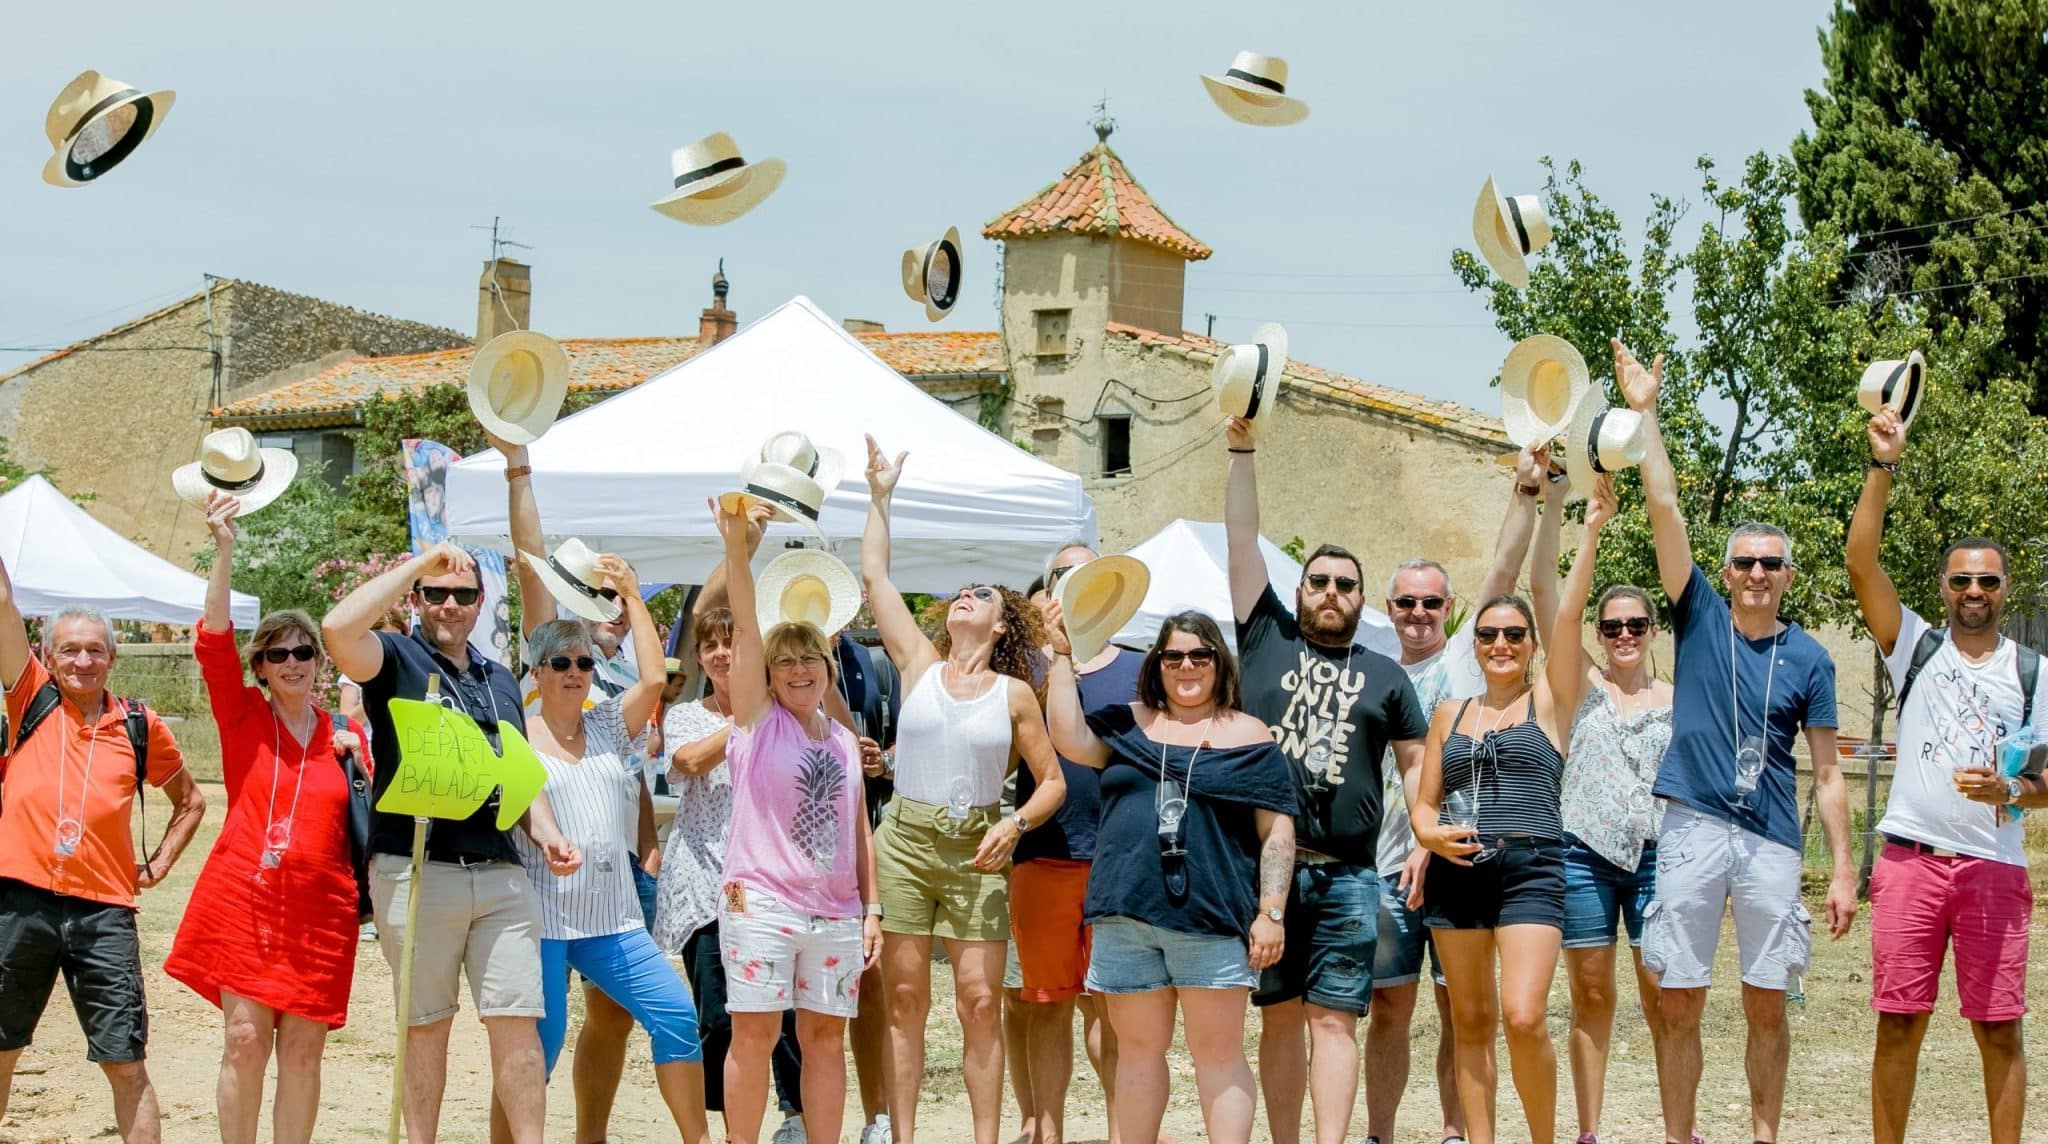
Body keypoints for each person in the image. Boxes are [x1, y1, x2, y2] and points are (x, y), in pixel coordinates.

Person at [1615, 339, 1857, 1144]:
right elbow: (1666, 507)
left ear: (1789, 575)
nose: (1756, 572)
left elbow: (1827, 773)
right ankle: (1680, 1136)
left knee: (1766, 1001)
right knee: (1678, 996)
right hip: (1689, 826)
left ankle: (1763, 1136)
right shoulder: (1701, 615)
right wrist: (1645, 414)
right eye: (1745, 561)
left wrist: (1845, 868)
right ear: (1726, 569)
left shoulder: (1813, 658)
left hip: (1770, 842)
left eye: (1770, 564)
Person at [323, 539, 582, 1144]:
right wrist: (418, 562)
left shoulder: (501, 681)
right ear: (417, 599)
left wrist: (548, 836)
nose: (449, 604)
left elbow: (515, 777)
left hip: (500, 873)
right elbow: (336, 628)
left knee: (519, 1023)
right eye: (436, 594)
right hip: (417, 870)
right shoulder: (393, 658)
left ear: (479, 603)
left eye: (462, 594)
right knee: (425, 1026)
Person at [1220, 415, 1429, 1144]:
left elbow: (1416, 771)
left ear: (1361, 600)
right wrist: (1242, 449)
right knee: (1277, 1021)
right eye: (1319, 581)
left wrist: (1425, 840)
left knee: (1334, 1022)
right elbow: (1242, 542)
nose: (1331, 592)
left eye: (1346, 584)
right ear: (1299, 589)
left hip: (1349, 877)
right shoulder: (1265, 635)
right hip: (1262, 877)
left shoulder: (1387, 675)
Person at [861, 434, 1067, 1144]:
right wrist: (880, 499)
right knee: (905, 999)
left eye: (981, 595)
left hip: (980, 844)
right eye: (960, 593)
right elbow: (876, 578)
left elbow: (1052, 784)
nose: (964, 598)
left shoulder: (1013, 693)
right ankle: (904, 1137)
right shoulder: (916, 661)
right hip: (908, 842)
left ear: (1001, 622)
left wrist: (1014, 826)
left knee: (980, 1000)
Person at [1848, 404, 2040, 1144]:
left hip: (1994, 867)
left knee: (1999, 1033)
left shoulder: (2033, 673)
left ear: (2005, 588)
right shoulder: (1913, 648)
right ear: (1942, 587)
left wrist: (2015, 791)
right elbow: (1861, 562)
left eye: (1987, 580)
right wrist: (1882, 464)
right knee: (1899, 1026)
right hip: (1912, 863)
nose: (1973, 590)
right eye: (1960, 578)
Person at [1365, 446, 1567, 1144]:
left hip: (1498, 862)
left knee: (1487, 1015)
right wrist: (1423, 837)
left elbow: (1512, 575)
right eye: (1407, 602)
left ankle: (1458, 1132)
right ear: (1389, 608)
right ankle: (1384, 1134)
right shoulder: (1370, 668)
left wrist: (1530, 491)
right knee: (1393, 1010)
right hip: (1395, 862)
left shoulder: (1462, 660)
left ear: (1451, 611)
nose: (1420, 612)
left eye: (1432, 603)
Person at [1045, 610, 1296, 1144]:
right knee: (1136, 1053)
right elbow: (1067, 738)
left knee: (1219, 1056)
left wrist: (1271, 913)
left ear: (1218, 663)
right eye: (1173, 655)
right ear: (1156, 664)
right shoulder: (1127, 724)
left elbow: (1277, 831)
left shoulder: (1250, 736)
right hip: (1125, 913)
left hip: (1210, 917)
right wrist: (1064, 657)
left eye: (1199, 655)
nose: (1187, 666)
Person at [164, 491, 369, 1144]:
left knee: (304, 1054)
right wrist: (225, 548)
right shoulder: (242, 717)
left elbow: (373, 817)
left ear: (320, 663)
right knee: (245, 1039)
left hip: (320, 910)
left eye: (303, 653)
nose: (292, 664)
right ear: (259, 667)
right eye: (277, 655)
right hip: (247, 903)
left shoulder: (346, 736)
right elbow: (213, 638)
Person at [492, 431, 666, 1143]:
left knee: (616, 1019)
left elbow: (637, 779)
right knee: (537, 1041)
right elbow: (530, 558)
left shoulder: (618, 668)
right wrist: (517, 467)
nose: (605, 606)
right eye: (589, 593)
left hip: (620, 871)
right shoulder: (554, 644)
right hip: (544, 883)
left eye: (610, 595)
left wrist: (647, 851)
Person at [0, 561, 206, 1144]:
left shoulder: (139, 725)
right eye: (69, 651)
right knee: (1, 1048)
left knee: (126, 1062)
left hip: (104, 913)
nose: (82, 661)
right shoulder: (30, 699)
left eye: (94, 650)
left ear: (112, 658)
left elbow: (190, 803)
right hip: (21, 902)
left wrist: (158, 864)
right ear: (47, 654)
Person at [707, 495, 885, 1144]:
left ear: (828, 663)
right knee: (755, 1033)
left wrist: (873, 910)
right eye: (785, 660)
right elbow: (748, 630)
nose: (798, 668)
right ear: (768, 673)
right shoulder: (755, 720)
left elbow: (857, 831)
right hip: (761, 901)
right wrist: (738, 548)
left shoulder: (841, 737)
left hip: (836, 911)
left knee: (825, 1040)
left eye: (809, 656)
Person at [519, 569, 711, 1142]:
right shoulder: (515, 734)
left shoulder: (606, 724)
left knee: (677, 1018)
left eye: (583, 663)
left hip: (614, 919)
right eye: (561, 664)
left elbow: (655, 676)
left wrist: (631, 592)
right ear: (537, 673)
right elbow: (523, 807)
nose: (576, 673)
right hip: (547, 920)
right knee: (536, 1051)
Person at [1410, 586, 1579, 1144]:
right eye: (1487, 634)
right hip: (1457, 872)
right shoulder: (1447, 714)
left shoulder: (1550, 699)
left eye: (1513, 634)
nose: (1500, 644)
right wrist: (1428, 834)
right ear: (1474, 645)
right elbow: (1426, 805)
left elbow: (1568, 609)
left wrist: (1579, 521)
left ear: (1532, 644)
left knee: (1524, 1016)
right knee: (1471, 1022)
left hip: (1531, 866)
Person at [1538, 475, 1674, 1144]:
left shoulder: (1676, 698)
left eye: (1635, 624)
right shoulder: (1581, 687)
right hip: (1583, 857)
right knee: (1591, 996)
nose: (1624, 633)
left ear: (1652, 631)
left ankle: (1679, 1125)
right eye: (1612, 625)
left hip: (1657, 861)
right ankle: (1588, 1132)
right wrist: (1588, 529)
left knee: (1662, 995)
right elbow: (1558, 617)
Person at [652, 603, 811, 1141]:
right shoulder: (687, 716)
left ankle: (795, 1117)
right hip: (705, 882)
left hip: (769, 882)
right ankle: (728, 1127)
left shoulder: (784, 714)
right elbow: (691, 762)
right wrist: (750, 714)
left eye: (733, 644)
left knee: (783, 1008)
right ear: (699, 657)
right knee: (719, 1015)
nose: (722, 654)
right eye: (711, 646)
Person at [1012, 544, 1140, 1144]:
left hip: (1117, 862)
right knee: (1046, 1005)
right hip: (1045, 857)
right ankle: (1049, 1134)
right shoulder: (1023, 673)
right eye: (1063, 572)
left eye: (1087, 570)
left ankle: (1123, 1132)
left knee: (1112, 1008)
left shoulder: (1144, 667)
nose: (1075, 582)